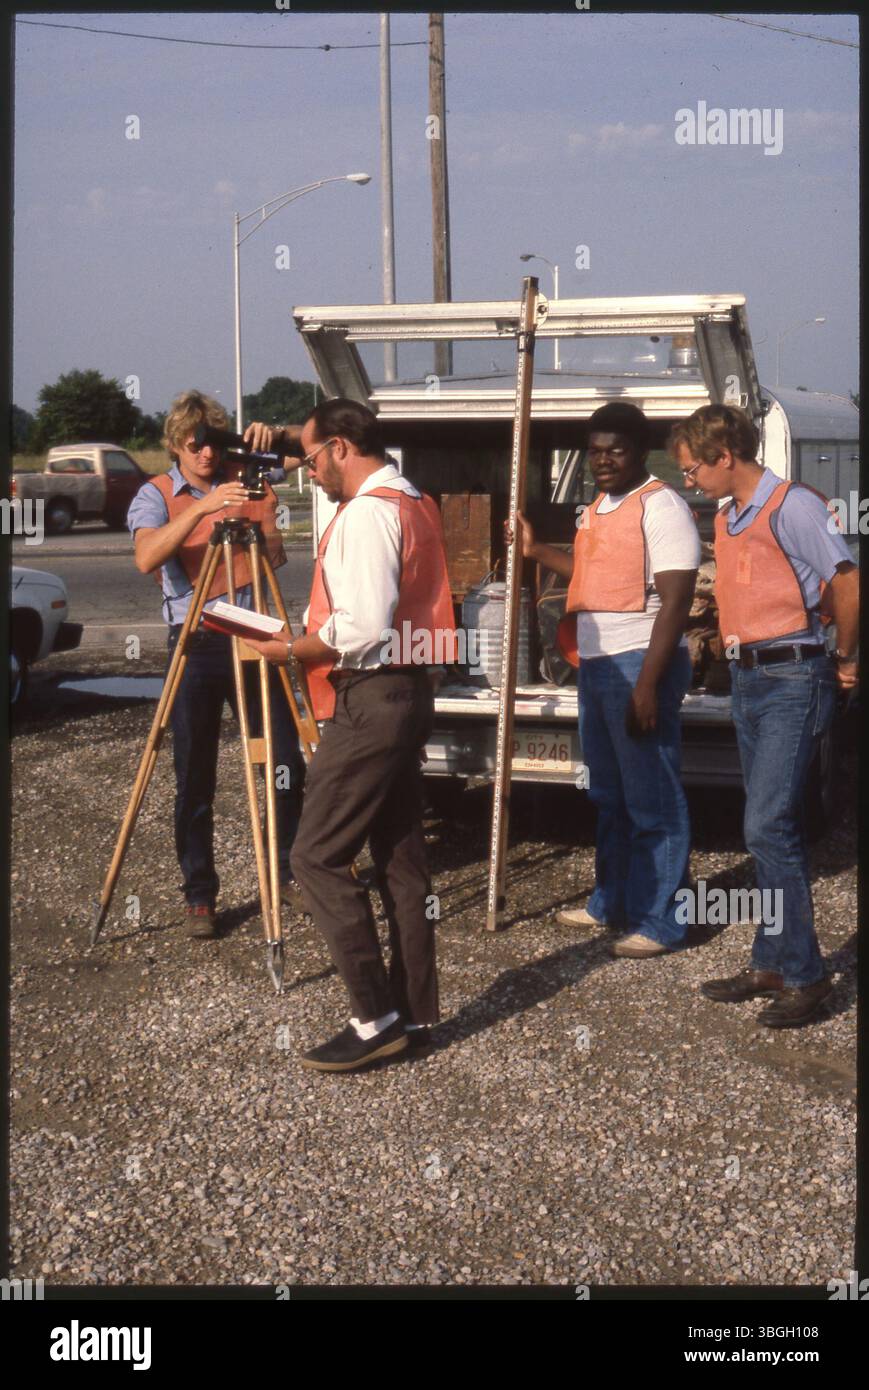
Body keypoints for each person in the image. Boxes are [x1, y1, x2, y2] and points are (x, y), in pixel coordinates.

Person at [245, 397, 456, 1072]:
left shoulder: (367, 512)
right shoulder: (411, 497)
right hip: (408, 688)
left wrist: (294, 650)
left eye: (310, 460)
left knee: (314, 855)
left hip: (373, 693)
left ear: (339, 447)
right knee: (399, 859)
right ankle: (415, 1011)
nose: (308, 474)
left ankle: (374, 1016)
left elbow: (361, 627)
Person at [671, 403, 859, 1027]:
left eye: (694, 468)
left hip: (793, 675)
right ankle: (772, 960)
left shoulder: (792, 506)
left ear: (726, 456)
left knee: (766, 824)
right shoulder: (729, 518)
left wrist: (849, 660)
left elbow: (849, 583)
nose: (689, 480)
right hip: (748, 678)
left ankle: (807, 975)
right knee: (768, 823)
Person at [512, 401, 700, 958]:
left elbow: (676, 600)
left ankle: (662, 920)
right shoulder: (598, 506)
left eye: (615, 451)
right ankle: (611, 901)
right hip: (596, 665)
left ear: (643, 452)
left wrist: (647, 684)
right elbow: (595, 574)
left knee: (653, 799)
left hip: (638, 663)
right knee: (608, 794)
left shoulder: (662, 506)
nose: (604, 461)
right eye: (595, 452)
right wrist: (537, 551)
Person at [127, 389, 305, 938]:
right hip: (197, 638)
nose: (205, 455)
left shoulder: (245, 471)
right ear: (175, 446)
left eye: (212, 444)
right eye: (193, 446)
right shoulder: (156, 493)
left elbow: (318, 447)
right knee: (194, 772)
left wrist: (272, 436)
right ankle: (200, 895)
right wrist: (205, 507)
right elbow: (146, 556)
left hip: (256, 634)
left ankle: (290, 873)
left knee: (283, 761)